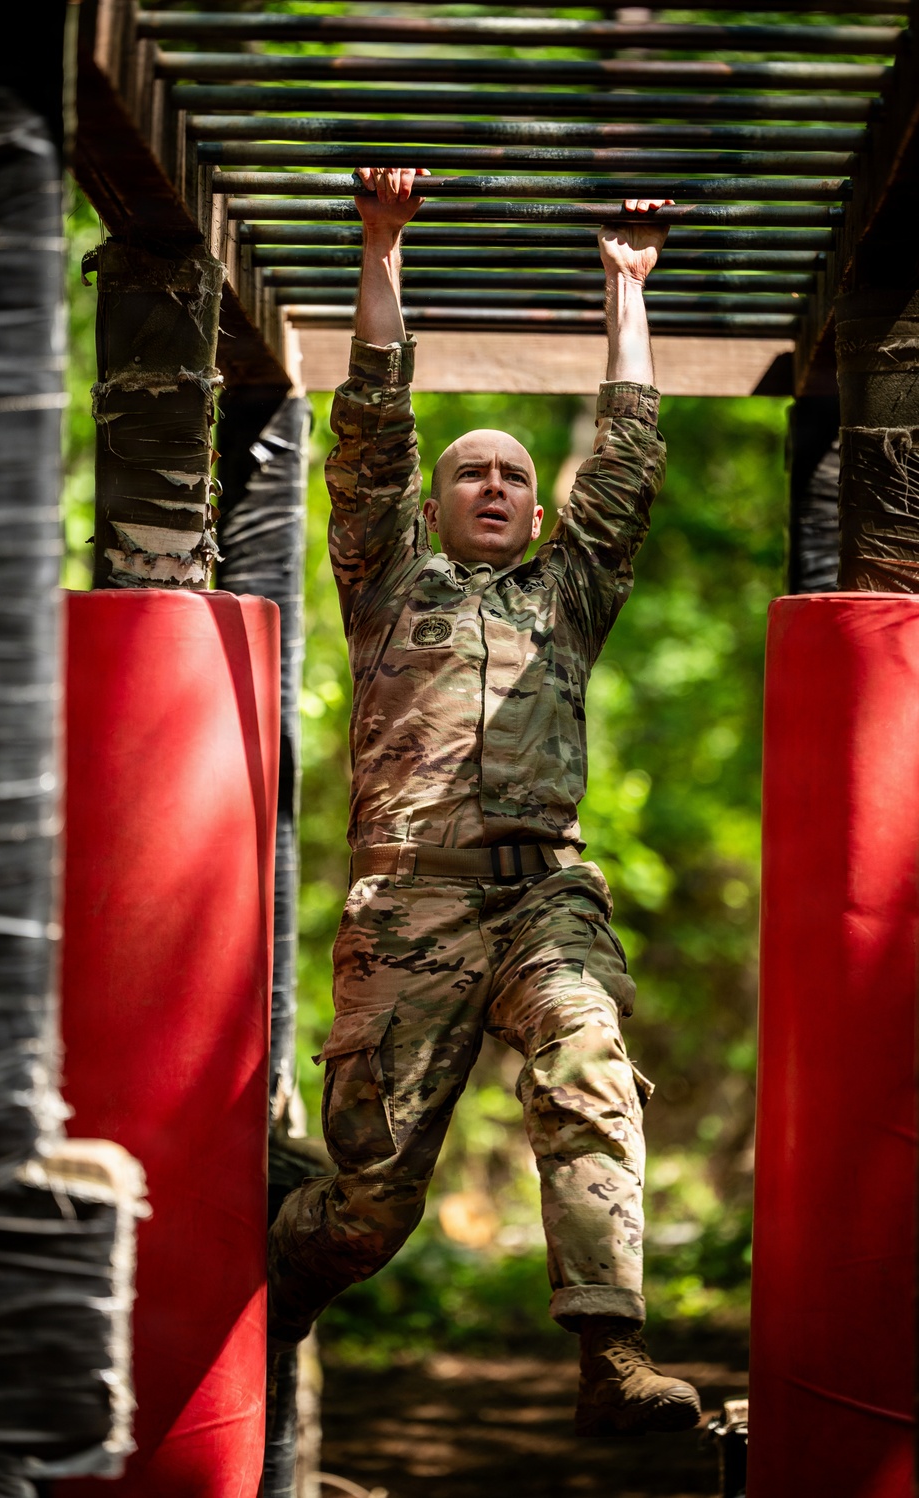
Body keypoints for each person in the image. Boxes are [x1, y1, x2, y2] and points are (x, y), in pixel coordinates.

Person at [269, 167, 701, 1437]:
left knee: (590, 1067)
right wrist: (381, 242)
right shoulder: (390, 582)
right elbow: (368, 440)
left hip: (544, 902)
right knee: (369, 1210)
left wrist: (626, 286)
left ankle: (608, 1352)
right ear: (441, 502)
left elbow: (625, 458)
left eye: (516, 473)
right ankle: (280, 1240)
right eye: (474, 473)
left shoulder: (567, 595)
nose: (500, 486)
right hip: (411, 911)